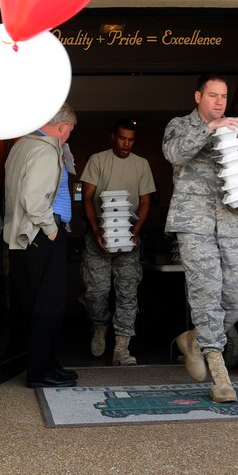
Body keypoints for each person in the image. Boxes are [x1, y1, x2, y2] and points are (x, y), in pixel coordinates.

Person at [162, 74, 238, 403]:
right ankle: (220, 376)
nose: (219, 102)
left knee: (237, 292)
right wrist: (210, 128)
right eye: (212, 95)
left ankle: (193, 338)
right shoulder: (179, 125)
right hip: (194, 224)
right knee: (206, 293)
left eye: (223, 96)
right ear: (198, 96)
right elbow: (174, 155)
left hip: (232, 223)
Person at [4, 104, 79, 388]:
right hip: (40, 233)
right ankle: (40, 372)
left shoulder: (22, 145)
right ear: (62, 127)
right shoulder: (45, 150)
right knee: (49, 305)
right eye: (70, 131)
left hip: (25, 236)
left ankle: (47, 364)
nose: (69, 136)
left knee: (39, 304)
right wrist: (51, 230)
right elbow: (33, 199)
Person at [80, 118, 156, 365]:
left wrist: (137, 228)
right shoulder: (97, 160)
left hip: (128, 238)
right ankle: (100, 324)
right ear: (112, 137)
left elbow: (145, 201)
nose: (126, 144)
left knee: (127, 292)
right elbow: (88, 197)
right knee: (96, 291)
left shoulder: (141, 164)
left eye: (131, 139)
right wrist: (96, 230)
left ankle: (122, 347)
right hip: (99, 236)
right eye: (122, 138)